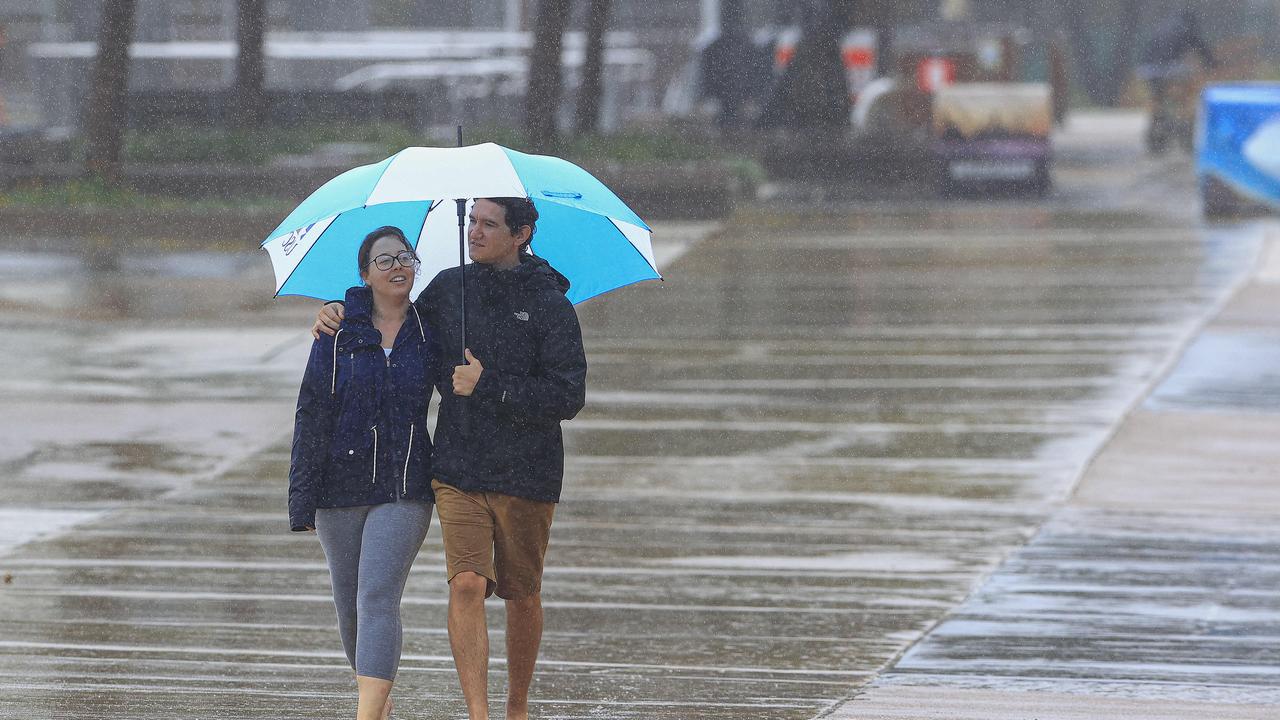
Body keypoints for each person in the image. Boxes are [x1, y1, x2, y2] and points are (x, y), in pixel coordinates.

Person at [313, 197, 587, 720]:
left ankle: (516, 706)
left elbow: (567, 395)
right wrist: (339, 309)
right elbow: (391, 314)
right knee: (466, 582)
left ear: (521, 234)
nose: (475, 233)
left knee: (521, 593)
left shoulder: (550, 304)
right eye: (472, 221)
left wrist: (490, 386)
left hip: (528, 472)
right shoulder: (447, 289)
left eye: (489, 224)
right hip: (458, 466)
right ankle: (478, 714)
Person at [290, 225, 438, 720]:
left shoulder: (434, 328)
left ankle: (366, 713)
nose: (398, 266)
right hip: (340, 487)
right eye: (384, 260)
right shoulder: (336, 334)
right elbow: (312, 412)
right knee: (349, 603)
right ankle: (378, 699)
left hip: (406, 487)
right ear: (364, 274)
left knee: (377, 594)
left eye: (405, 257)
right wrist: (302, 498)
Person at [1138, 9, 1217, 152]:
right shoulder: (1186, 28)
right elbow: (1201, 48)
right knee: (1187, 90)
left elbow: (1146, 49)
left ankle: (1157, 116)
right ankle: (1184, 119)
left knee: (1156, 94)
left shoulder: (1161, 26)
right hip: (1172, 68)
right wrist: (1212, 63)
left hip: (1148, 69)